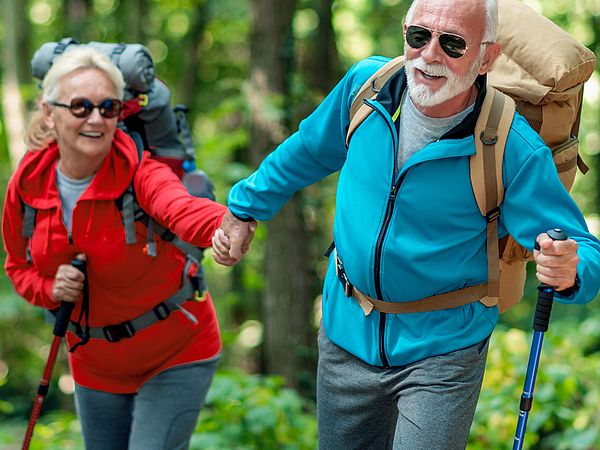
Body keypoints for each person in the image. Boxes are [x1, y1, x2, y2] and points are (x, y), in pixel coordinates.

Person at [212, 0, 600, 448]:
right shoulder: (367, 89)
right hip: (345, 331)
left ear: (485, 57)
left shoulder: (509, 146)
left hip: (443, 351)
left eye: (452, 43)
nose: (430, 55)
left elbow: (581, 248)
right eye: (419, 36)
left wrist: (571, 270)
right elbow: (306, 151)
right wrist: (245, 208)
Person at [2, 47, 228, 450]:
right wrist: (51, 289)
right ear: (49, 111)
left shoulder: (140, 170)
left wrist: (225, 226)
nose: (95, 118)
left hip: (176, 351)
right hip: (95, 363)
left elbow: (181, 209)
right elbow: (18, 266)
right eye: (80, 106)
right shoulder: (28, 185)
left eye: (108, 108)